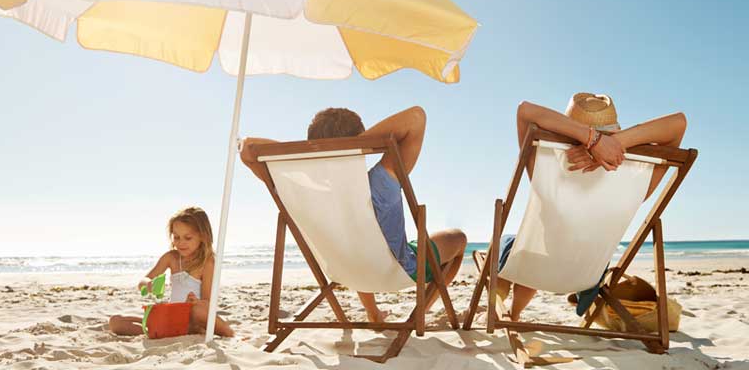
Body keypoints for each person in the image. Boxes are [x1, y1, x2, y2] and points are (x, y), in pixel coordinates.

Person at [241, 106, 467, 323]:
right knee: (458, 238)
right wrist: (359, 146)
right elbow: (416, 117)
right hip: (399, 270)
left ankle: (373, 313)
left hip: (344, 271)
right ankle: (420, 313)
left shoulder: (301, 189)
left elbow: (248, 148)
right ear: (361, 141)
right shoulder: (382, 181)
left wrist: (313, 154)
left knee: (353, 242)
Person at [493, 93, 687, 321]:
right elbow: (679, 123)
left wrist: (592, 140)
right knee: (538, 251)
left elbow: (525, 110)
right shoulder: (636, 182)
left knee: (515, 244)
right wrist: (615, 142)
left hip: (535, 270)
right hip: (585, 278)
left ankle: (512, 312)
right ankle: (510, 307)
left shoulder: (547, 167)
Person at [108, 207, 234, 337]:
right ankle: (161, 331)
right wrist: (148, 284)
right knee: (115, 322)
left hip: (193, 319)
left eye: (188, 238)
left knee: (199, 311)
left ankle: (230, 334)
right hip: (171, 318)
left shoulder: (207, 262)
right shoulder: (171, 258)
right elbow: (142, 282)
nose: (181, 243)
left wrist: (195, 301)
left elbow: (209, 302)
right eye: (176, 237)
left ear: (202, 236)